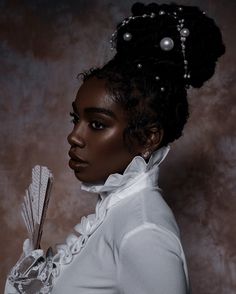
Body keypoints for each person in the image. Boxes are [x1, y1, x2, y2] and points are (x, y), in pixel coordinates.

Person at [5, 2, 225, 294]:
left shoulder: (144, 232)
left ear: (149, 138)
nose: (74, 136)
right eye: (76, 119)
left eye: (97, 124)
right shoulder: (113, 215)